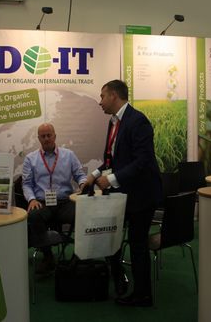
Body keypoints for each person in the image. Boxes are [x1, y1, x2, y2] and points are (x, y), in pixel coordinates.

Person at [83, 79, 161, 307]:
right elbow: (111, 159)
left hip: (142, 195)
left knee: (137, 245)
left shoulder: (138, 121)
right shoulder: (114, 122)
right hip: (124, 194)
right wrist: (94, 175)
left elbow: (142, 161)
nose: (100, 102)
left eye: (102, 96)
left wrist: (110, 179)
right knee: (111, 238)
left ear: (114, 96)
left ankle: (143, 295)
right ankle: (119, 280)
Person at [22, 123, 87, 273]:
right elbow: (26, 184)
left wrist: (83, 184)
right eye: (43, 136)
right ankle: (48, 256)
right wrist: (32, 199)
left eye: (49, 135)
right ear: (38, 138)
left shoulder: (68, 155)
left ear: (55, 136)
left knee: (83, 213)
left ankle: (79, 255)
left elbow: (80, 174)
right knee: (33, 215)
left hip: (65, 202)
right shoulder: (30, 159)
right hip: (42, 202)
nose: (46, 138)